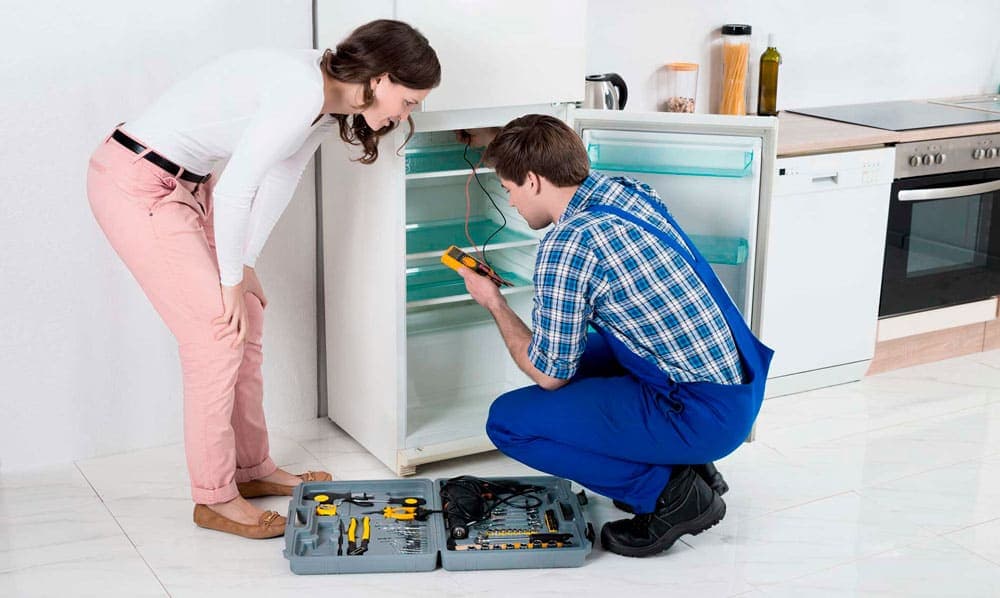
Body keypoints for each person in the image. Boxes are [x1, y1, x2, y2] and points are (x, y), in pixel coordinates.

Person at [86, 20, 440, 539]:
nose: (405, 115)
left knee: (245, 315)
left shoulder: (329, 101)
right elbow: (238, 189)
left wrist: (245, 264)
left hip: (187, 188)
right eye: (408, 102)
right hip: (138, 183)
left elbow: (281, 174)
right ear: (381, 79)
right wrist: (229, 279)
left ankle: (251, 470)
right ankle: (214, 498)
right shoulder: (301, 88)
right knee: (215, 334)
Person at [456, 115, 773, 557]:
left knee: (509, 422)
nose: (510, 200)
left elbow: (549, 375)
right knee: (579, 357)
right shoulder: (625, 191)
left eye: (508, 188)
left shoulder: (568, 244)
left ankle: (672, 493)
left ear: (532, 180)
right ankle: (694, 466)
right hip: (737, 390)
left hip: (699, 413)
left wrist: (494, 302)